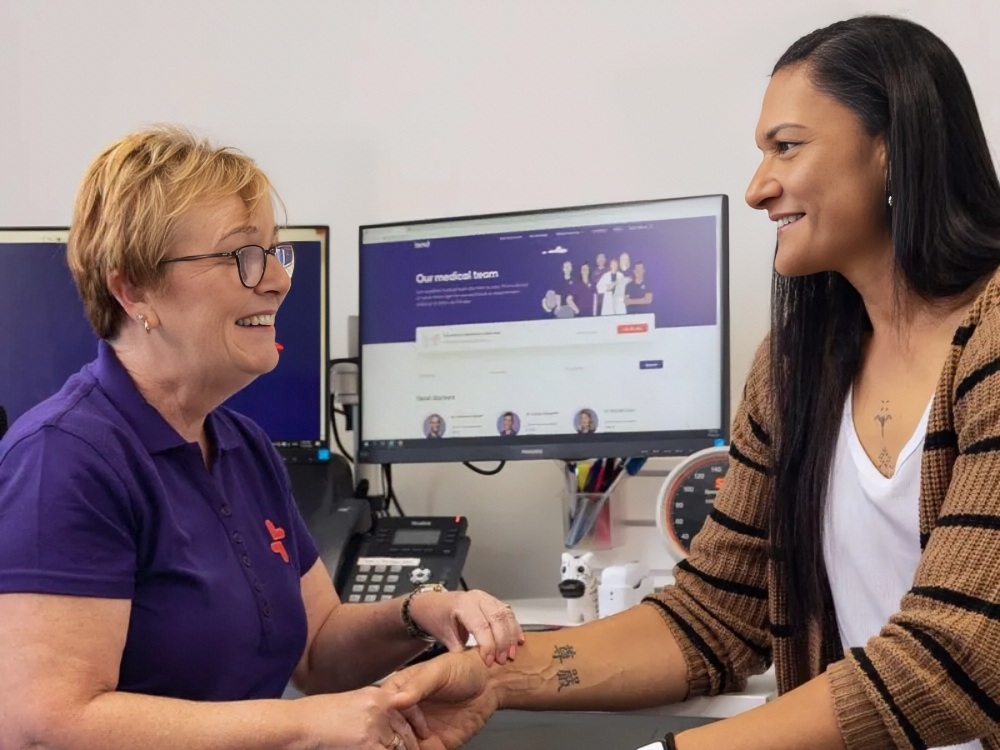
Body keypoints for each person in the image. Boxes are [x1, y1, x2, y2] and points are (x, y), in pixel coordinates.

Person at [382, 15, 1000, 750]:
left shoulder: (990, 335)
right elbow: (715, 617)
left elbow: (960, 652)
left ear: (891, 149)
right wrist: (494, 678)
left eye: (786, 147)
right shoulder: (794, 369)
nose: (757, 188)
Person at [0, 126, 523, 750]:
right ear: (134, 289)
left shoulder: (241, 445)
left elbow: (317, 649)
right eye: (243, 255)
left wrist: (420, 613)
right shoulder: (63, 459)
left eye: (275, 252)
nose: (277, 279)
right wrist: (305, 725)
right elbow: (46, 725)